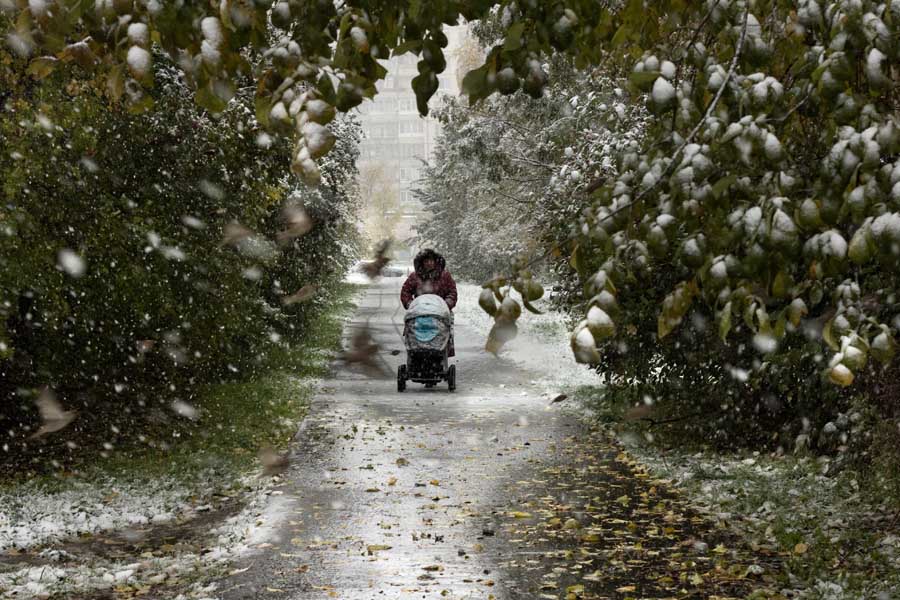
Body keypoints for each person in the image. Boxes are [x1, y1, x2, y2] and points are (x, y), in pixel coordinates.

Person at [401, 249, 457, 356]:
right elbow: (406, 291)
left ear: (436, 262)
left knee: (444, 331)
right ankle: (415, 352)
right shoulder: (415, 276)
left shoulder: (444, 276)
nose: (429, 263)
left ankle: (442, 353)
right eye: (426, 261)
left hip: (440, 311)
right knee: (414, 331)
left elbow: (452, 292)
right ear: (422, 262)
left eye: (431, 261)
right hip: (419, 311)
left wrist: (446, 304)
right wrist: (410, 305)